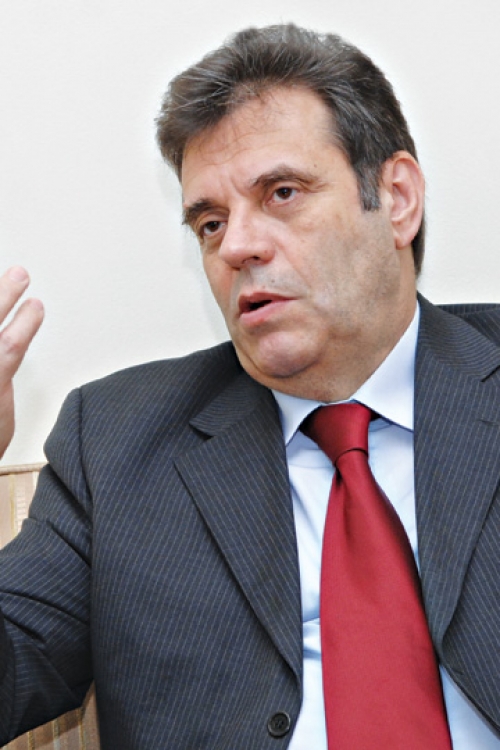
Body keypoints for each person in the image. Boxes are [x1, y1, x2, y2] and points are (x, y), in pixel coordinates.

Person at [0, 23, 499, 750]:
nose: (236, 246)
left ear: (396, 198)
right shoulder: (113, 443)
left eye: (282, 193)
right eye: (209, 223)